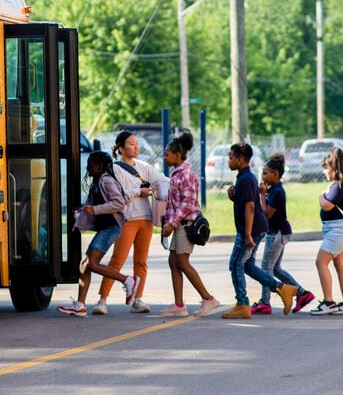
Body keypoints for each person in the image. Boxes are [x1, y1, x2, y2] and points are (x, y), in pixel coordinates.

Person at [92, 131, 169, 315]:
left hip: (146, 220)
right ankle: (102, 300)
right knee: (117, 260)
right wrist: (138, 191)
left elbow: (163, 181)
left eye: (137, 143)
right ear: (120, 148)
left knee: (141, 262)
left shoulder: (145, 167)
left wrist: (168, 186)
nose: (136, 147)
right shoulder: (115, 169)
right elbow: (118, 195)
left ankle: (138, 299)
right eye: (131, 144)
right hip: (126, 219)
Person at [58, 151, 140, 317]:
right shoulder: (97, 182)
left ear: (101, 166)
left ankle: (128, 280)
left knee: (92, 264)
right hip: (106, 227)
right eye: (89, 163)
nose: (89, 167)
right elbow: (91, 204)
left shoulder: (107, 180)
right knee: (85, 264)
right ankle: (80, 305)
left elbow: (119, 203)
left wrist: (95, 210)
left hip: (111, 227)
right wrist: (81, 216)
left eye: (93, 164)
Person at [221, 142, 297, 319]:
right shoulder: (244, 177)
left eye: (231, 158)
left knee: (235, 264)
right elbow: (245, 202)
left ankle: (242, 303)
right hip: (256, 227)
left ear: (241, 160)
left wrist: (247, 234)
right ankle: (282, 288)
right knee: (247, 265)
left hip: (251, 228)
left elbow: (250, 206)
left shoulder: (246, 179)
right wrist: (233, 197)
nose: (228, 161)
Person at [158, 132, 220, 317]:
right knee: (173, 262)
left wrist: (172, 224)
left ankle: (208, 299)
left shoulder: (186, 175)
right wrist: (168, 223)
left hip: (185, 224)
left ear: (177, 155)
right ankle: (179, 305)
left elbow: (187, 204)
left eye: (167, 154)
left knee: (183, 262)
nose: (165, 158)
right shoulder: (176, 174)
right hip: (177, 225)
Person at [251, 152, 316, 314]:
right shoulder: (273, 189)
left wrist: (262, 194)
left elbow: (267, 214)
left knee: (266, 267)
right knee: (276, 268)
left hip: (277, 233)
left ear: (276, 174)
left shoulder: (277, 191)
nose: (263, 176)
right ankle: (302, 294)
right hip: (278, 232)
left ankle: (265, 303)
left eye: (266, 173)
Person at [310, 147, 343, 315]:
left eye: (326, 167)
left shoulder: (339, 186)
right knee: (340, 266)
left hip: (338, 230)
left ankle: (329, 302)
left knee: (320, 262)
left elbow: (327, 205)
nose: (324, 171)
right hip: (338, 230)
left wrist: (321, 196)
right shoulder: (341, 185)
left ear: (334, 169)